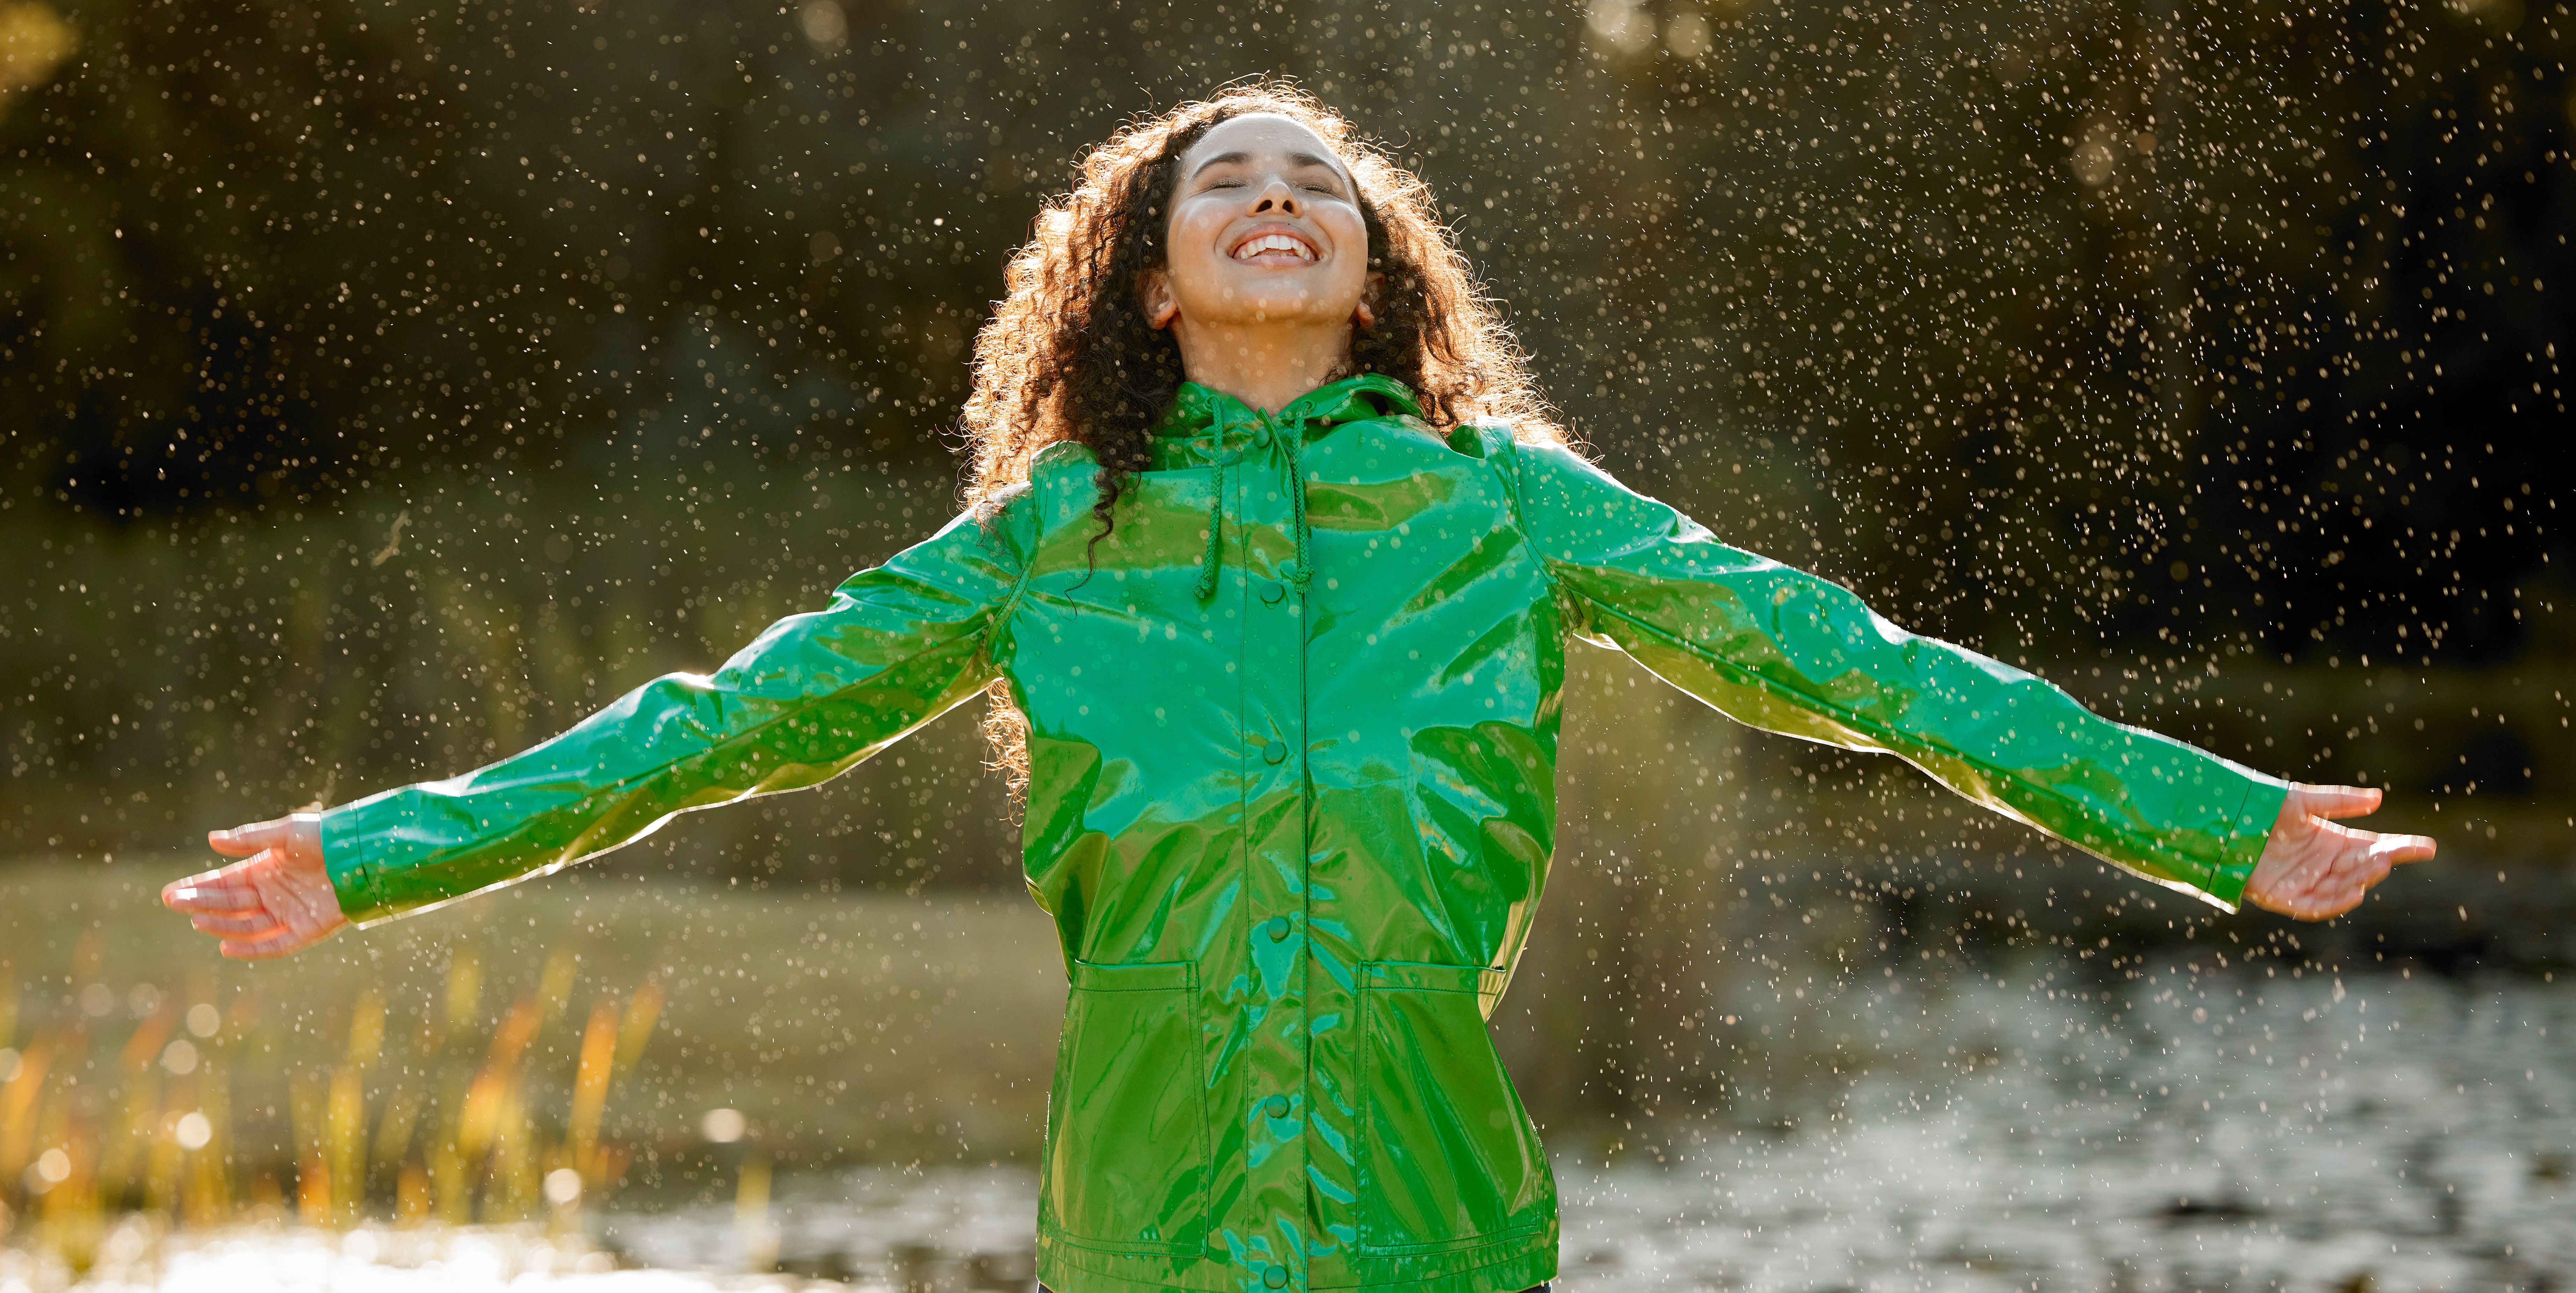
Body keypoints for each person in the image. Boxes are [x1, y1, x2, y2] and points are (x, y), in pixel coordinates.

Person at [162, 84, 2436, 1293]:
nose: (1279, 197)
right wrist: (372, 850)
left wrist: (2213, 816)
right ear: (1149, 284)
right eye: (1228, 183)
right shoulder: (1049, 538)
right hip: (1143, 1230)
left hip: (1442, 1227)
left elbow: (1864, 670)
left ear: (1378, 264)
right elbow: (709, 723)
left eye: (1319, 182)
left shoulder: (1513, 508)